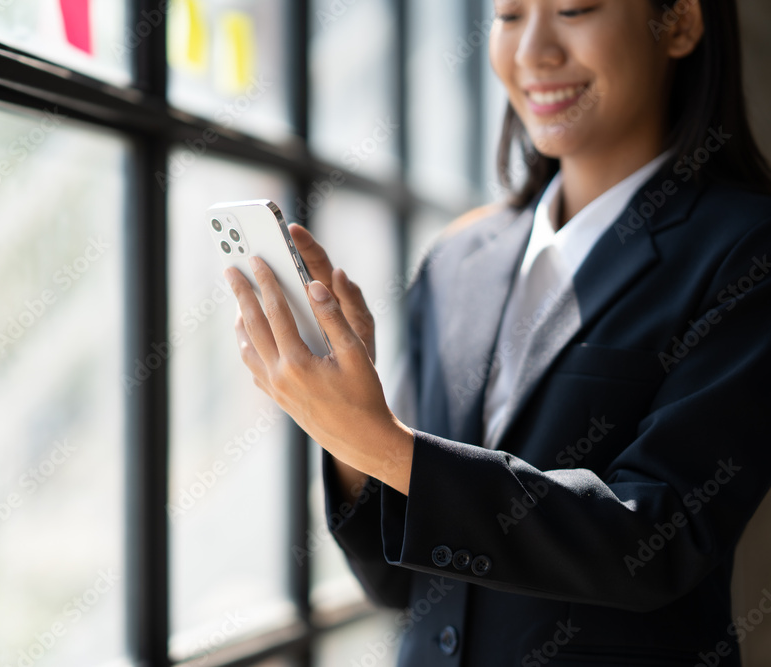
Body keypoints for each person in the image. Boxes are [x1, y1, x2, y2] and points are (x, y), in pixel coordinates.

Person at [224, 0, 771, 664]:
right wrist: (348, 438)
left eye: (573, 9)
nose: (533, 50)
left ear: (680, 22)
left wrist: (385, 445)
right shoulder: (458, 259)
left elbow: (661, 538)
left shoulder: (744, 250)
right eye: (509, 15)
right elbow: (399, 581)